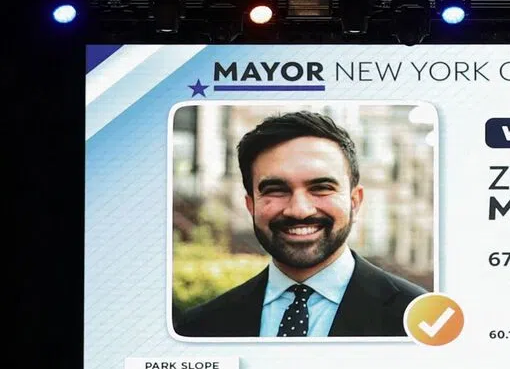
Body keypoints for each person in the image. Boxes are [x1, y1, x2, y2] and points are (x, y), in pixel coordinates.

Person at [174, 111, 425, 339]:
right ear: (251, 205)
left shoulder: (421, 322)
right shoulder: (198, 327)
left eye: (321, 188)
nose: (299, 210)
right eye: (276, 190)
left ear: (355, 202)